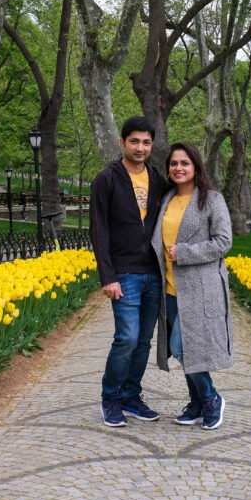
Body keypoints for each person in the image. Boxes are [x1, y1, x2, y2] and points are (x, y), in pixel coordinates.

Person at [89, 116, 168, 427]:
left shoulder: (157, 179)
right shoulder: (106, 179)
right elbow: (99, 231)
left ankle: (131, 395)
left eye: (146, 142)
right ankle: (111, 396)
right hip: (124, 273)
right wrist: (107, 276)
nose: (140, 147)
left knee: (144, 340)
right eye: (134, 141)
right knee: (126, 337)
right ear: (123, 143)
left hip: (153, 272)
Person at [151, 142, 233, 430]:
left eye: (184, 163)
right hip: (171, 290)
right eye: (174, 163)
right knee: (188, 348)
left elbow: (224, 242)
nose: (178, 168)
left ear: (196, 166)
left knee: (182, 346)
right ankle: (197, 403)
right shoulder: (168, 198)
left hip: (200, 288)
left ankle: (211, 397)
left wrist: (184, 253)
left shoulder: (211, 199)